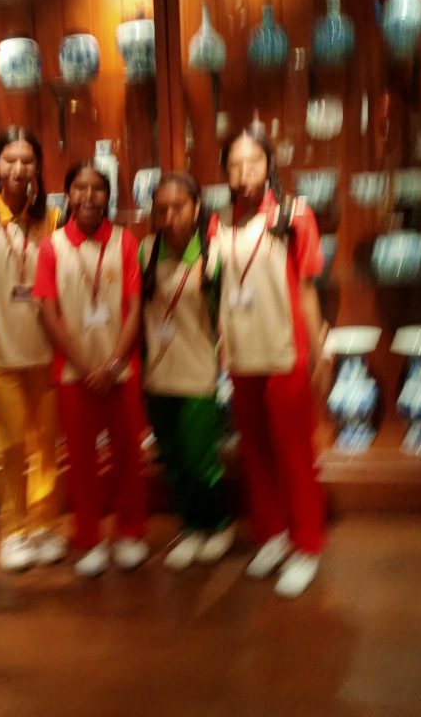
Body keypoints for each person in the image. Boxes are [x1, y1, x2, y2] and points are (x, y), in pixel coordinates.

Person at [210, 120, 330, 598]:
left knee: (295, 452)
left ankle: (307, 544)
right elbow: (217, 287)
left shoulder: (294, 214)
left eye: (253, 162)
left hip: (285, 348)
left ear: (269, 164)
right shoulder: (220, 221)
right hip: (241, 351)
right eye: (234, 165)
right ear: (225, 170)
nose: (244, 173)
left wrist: (319, 352)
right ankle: (273, 535)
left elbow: (307, 290)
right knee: (256, 451)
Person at [33, 161, 148, 577]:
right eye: (79, 187)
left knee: (128, 456)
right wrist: (84, 366)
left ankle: (130, 532)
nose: (88, 195)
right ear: (68, 195)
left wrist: (113, 363)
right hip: (73, 374)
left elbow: (136, 308)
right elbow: (48, 313)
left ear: (108, 196)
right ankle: (89, 537)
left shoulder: (125, 242)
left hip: (121, 371)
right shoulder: (52, 247)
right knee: (80, 462)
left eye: (97, 188)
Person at [0, 127, 65, 571]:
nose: (19, 169)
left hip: (46, 349)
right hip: (0, 350)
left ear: (38, 167)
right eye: (10, 160)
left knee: (46, 446)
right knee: (11, 446)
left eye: (27, 160)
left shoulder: (51, 218)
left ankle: (42, 525)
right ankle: (15, 530)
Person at [139, 172, 234, 570]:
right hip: (158, 376)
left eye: (178, 207)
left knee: (200, 460)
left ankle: (219, 525)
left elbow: (225, 315)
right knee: (174, 461)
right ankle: (192, 527)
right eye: (161, 209)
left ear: (196, 208)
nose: (169, 216)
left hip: (199, 374)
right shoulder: (146, 251)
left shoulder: (214, 253)